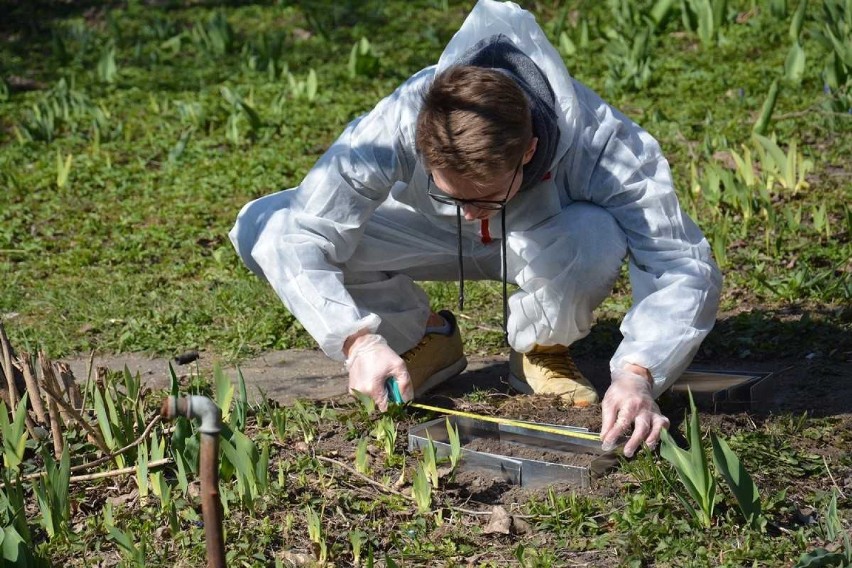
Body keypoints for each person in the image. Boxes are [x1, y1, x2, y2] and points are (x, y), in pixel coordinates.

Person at [229, 0, 722, 458]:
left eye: (482, 196)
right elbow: (305, 232)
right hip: (422, 236)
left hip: (544, 242)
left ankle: (540, 349)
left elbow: (680, 265)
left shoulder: (606, 146)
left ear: (529, 151)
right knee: (266, 226)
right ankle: (418, 340)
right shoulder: (396, 123)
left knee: (594, 232)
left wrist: (640, 372)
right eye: (449, 192)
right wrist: (357, 341)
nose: (468, 211)